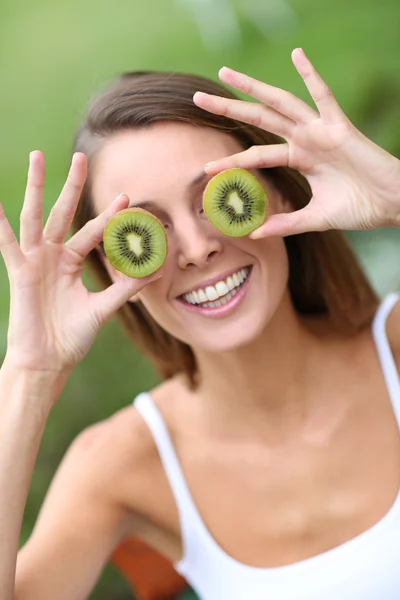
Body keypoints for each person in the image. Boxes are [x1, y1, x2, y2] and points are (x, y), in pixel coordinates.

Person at [1, 47, 400, 600]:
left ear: (278, 192)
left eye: (217, 198)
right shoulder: (124, 464)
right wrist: (29, 373)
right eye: (147, 230)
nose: (195, 249)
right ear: (113, 270)